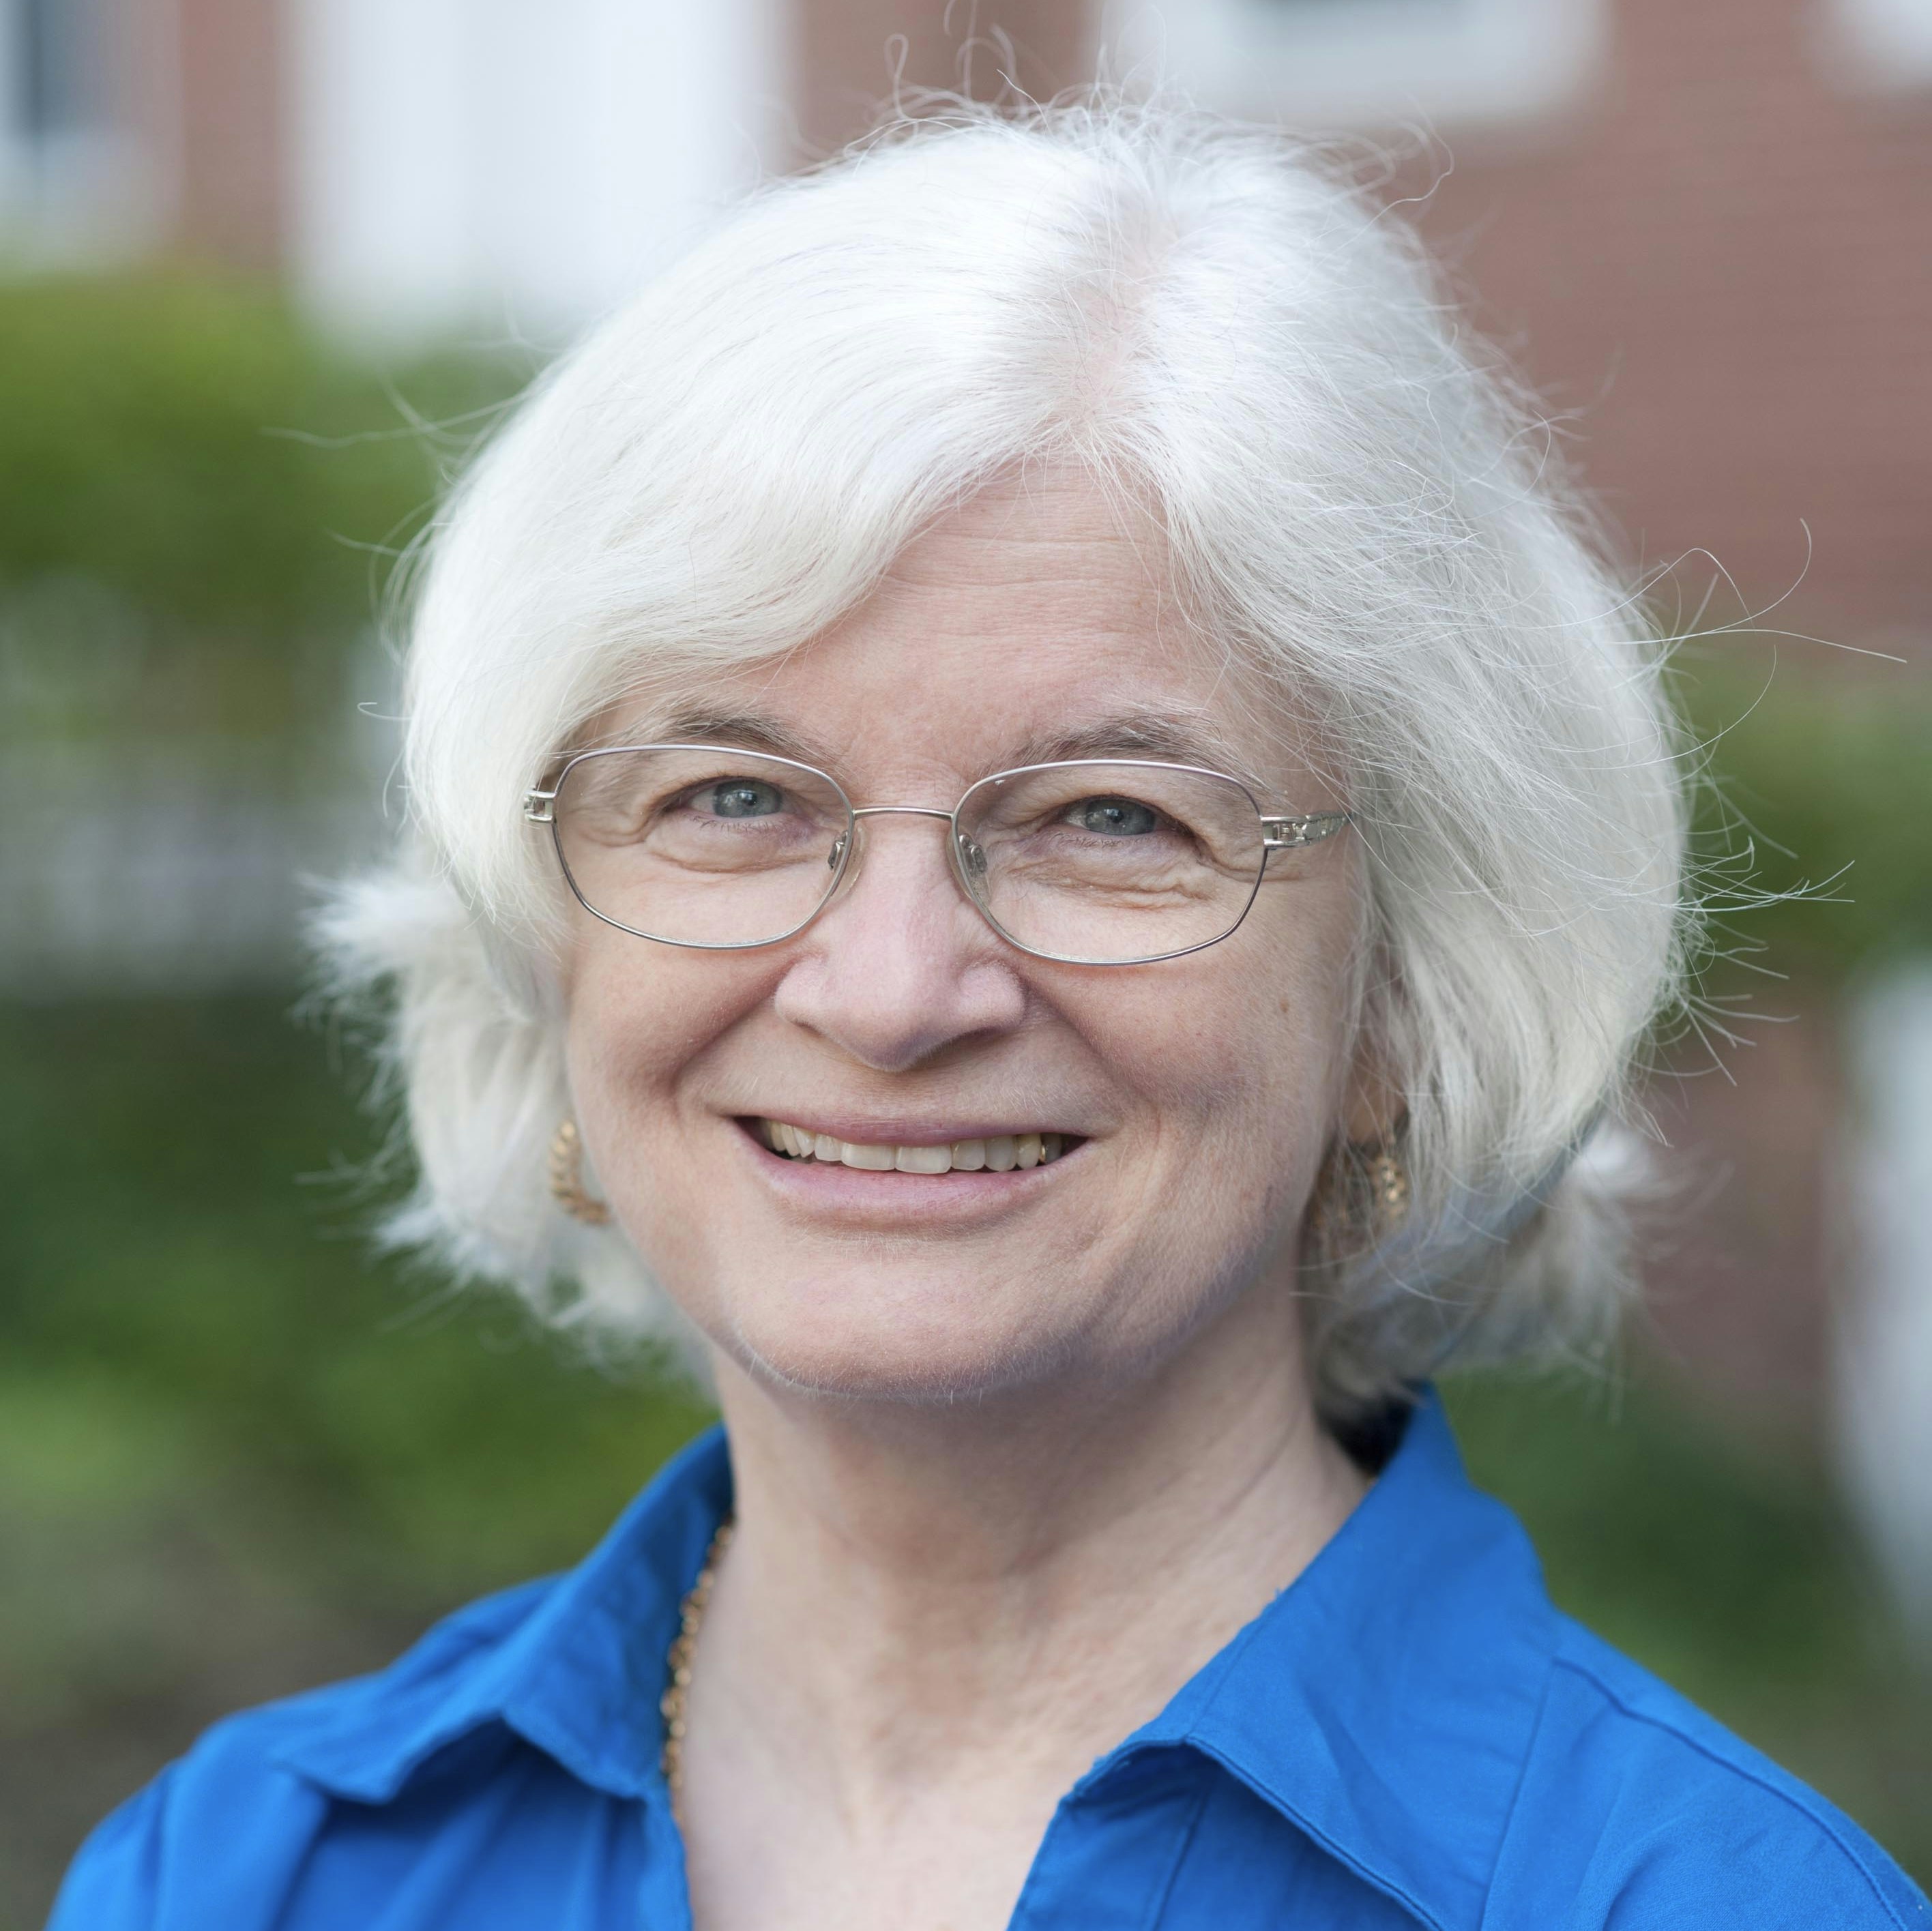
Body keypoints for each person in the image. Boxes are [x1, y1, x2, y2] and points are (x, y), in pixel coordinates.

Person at [49, 100, 1928, 1931]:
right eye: (732, 800)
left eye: (1115, 818)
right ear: (543, 936)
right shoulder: (248, 1878)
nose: (888, 993)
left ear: (1400, 1010)